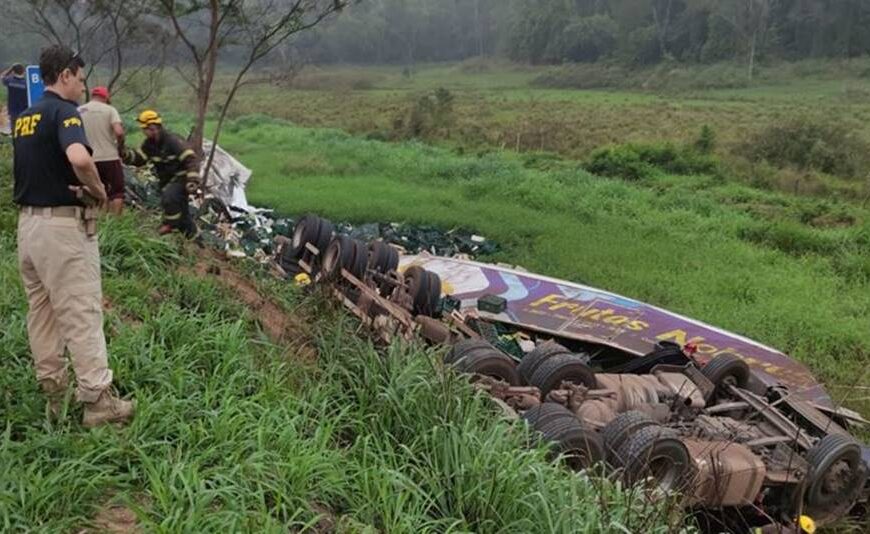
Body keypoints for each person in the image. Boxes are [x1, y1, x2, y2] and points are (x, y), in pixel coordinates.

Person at [12, 45, 134, 428]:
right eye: (80, 79)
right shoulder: (65, 113)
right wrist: (98, 190)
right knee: (81, 310)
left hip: (29, 227)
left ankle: (54, 393)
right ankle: (98, 401)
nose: (82, 88)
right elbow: (80, 159)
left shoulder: (25, 117)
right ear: (64, 75)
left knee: (43, 313)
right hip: (62, 230)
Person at [121, 109, 200, 236]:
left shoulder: (173, 141)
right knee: (182, 210)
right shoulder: (149, 144)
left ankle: (171, 226)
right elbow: (139, 160)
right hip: (166, 180)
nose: (143, 132)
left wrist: (192, 180)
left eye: (144, 129)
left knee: (169, 197)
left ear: (153, 128)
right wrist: (124, 153)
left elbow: (191, 159)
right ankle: (193, 236)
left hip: (181, 178)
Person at [79, 86, 126, 214]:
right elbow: (119, 132)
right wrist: (121, 147)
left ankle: (98, 222)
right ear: (106, 97)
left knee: (96, 190)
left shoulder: (79, 111)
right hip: (109, 157)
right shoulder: (110, 110)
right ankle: (115, 225)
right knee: (117, 192)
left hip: (88, 159)